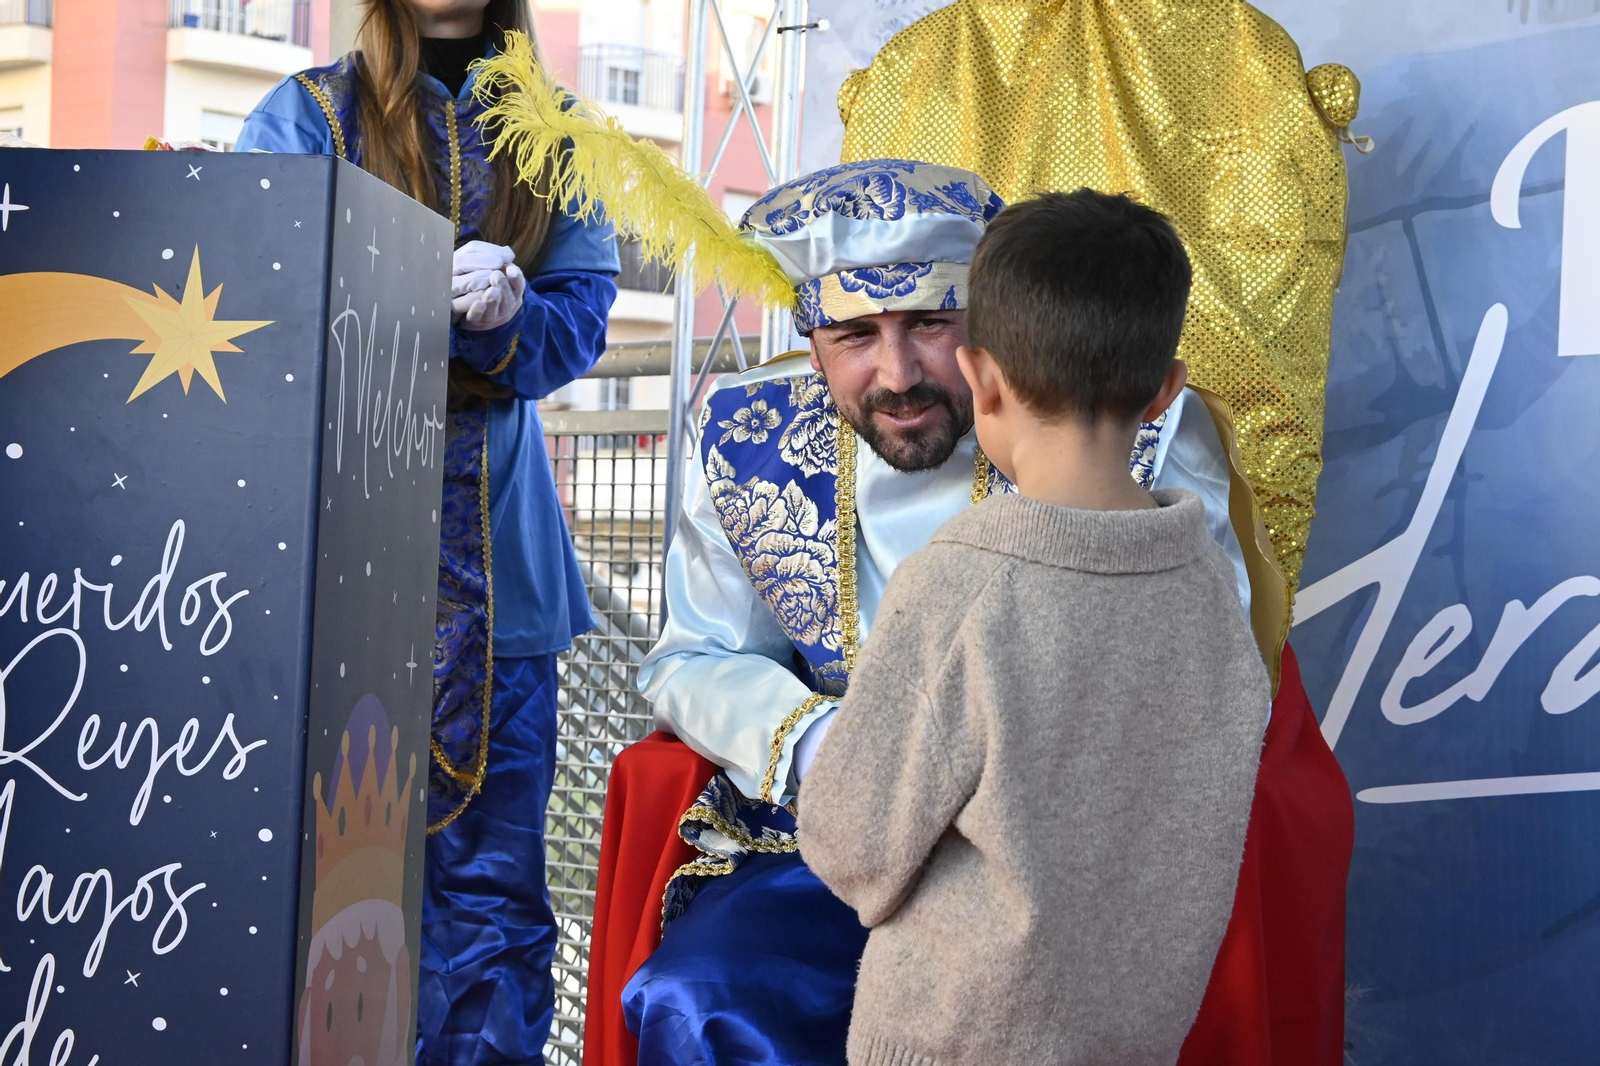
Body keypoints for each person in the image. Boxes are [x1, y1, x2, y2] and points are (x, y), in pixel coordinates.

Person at [624, 158, 1295, 1064]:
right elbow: (691, 656)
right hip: (822, 842)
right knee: (697, 996)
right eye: (856, 334)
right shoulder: (745, 433)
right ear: (810, 337)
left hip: (1057, 858)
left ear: (984, 340)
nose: (898, 373)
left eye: (931, 323)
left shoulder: (1148, 428)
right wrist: (821, 743)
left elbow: (1201, 685)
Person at [796, 189, 1269, 1065]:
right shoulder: (1210, 588)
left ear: (980, 379)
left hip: (948, 1041)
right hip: (1133, 1042)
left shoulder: (960, 584)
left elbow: (849, 846)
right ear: (1167, 391)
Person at [236, 3, 619, 1063]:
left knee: (491, 898)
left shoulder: (562, 134)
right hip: (321, 574)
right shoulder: (303, 115)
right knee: (304, 889)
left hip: (506, 583)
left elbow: (573, 332)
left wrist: (512, 322)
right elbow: (253, 305)